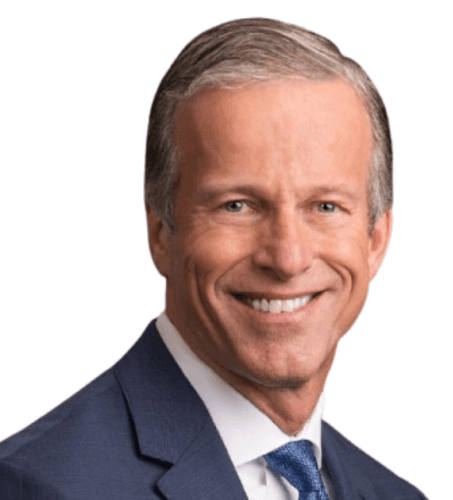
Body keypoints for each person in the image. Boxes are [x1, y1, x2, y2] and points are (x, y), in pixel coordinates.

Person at [0, 17, 427, 500]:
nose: (288, 258)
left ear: (375, 238)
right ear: (161, 232)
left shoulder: (395, 495)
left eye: (325, 207)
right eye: (237, 206)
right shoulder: (35, 486)